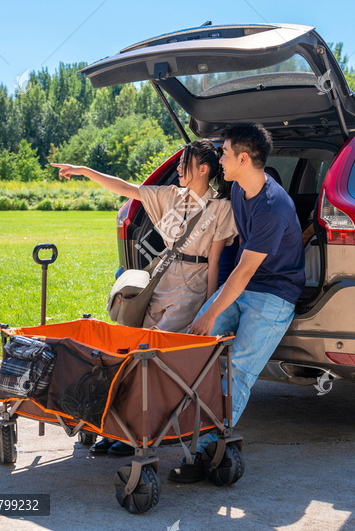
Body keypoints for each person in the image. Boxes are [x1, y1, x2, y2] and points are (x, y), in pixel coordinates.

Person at [51, 140, 237, 455]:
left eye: (184, 164)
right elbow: (125, 188)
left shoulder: (221, 208)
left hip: (191, 288)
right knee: (138, 349)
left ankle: (136, 431)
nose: (178, 170)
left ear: (204, 169)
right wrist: (83, 171)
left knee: (152, 356)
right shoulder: (170, 196)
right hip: (163, 280)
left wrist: (208, 311)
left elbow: (215, 263)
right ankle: (119, 429)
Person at [168, 122, 305, 484]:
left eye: (225, 153)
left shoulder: (273, 206)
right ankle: (182, 426)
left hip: (274, 295)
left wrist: (211, 311)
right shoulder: (239, 193)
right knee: (195, 347)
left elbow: (243, 273)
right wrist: (209, 313)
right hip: (245, 286)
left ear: (243, 158)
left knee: (239, 370)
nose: (220, 159)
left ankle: (206, 451)